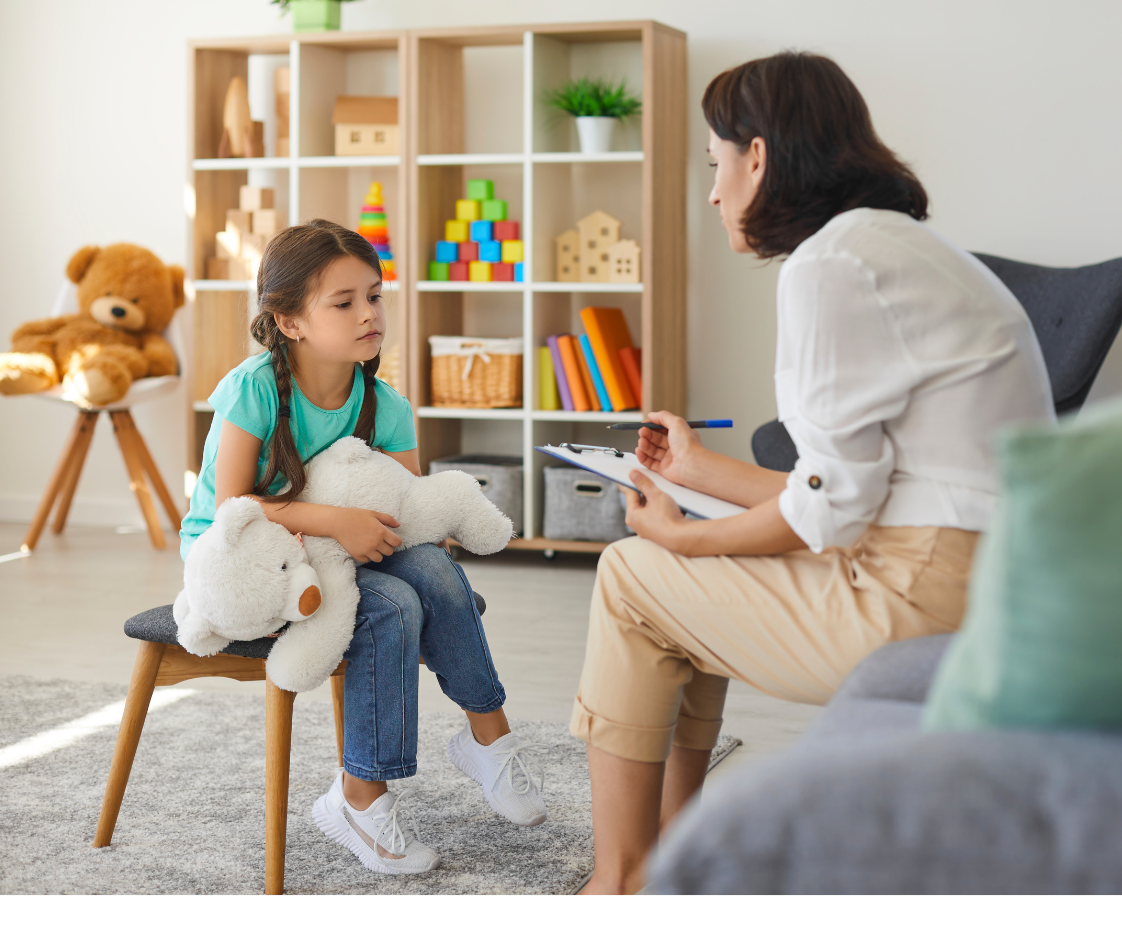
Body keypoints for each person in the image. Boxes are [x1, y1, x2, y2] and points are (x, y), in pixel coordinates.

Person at [572, 53, 1056, 895]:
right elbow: (854, 492)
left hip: (919, 595)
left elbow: (826, 516)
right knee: (674, 581)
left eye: (716, 164)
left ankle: (620, 880)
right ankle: (673, 855)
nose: (714, 193)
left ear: (759, 157)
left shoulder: (830, 265)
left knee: (630, 575)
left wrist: (684, 537)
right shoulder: (893, 246)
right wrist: (697, 471)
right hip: (984, 577)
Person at [178, 220, 546, 876]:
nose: (369, 313)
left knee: (429, 565)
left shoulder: (386, 405)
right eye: (344, 302)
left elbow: (406, 516)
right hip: (248, 560)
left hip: (337, 554)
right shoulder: (253, 388)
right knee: (392, 606)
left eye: (374, 296)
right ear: (289, 321)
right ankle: (359, 797)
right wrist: (335, 520)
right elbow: (232, 507)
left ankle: (489, 738)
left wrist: (357, 528)